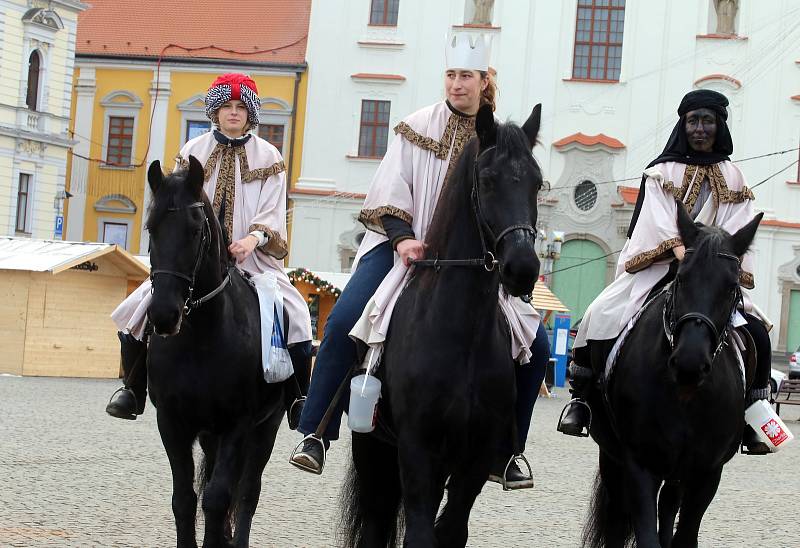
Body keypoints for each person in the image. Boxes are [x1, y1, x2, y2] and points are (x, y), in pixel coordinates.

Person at [290, 34, 550, 489]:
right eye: (451, 75)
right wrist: (404, 238)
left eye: (466, 76)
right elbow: (390, 188)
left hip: (474, 261)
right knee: (344, 320)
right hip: (400, 251)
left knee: (537, 344)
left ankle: (509, 452)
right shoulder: (416, 125)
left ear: (484, 81)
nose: (456, 84)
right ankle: (315, 432)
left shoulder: (499, 139)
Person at [557, 89, 773, 454]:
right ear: (683, 125)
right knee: (600, 313)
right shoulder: (661, 172)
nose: (700, 129)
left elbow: (738, 224)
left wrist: (714, 255)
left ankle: (754, 413)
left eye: (707, 121)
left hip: (713, 273)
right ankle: (581, 399)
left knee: (758, 333)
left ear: (719, 125)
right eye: (693, 121)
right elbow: (654, 219)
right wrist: (681, 250)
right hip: (660, 266)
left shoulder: (734, 177)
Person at [105, 73, 312, 425]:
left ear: (251, 113)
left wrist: (251, 240)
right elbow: (172, 203)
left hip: (254, 262)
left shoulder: (269, 155)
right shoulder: (192, 151)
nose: (234, 113)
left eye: (240, 107)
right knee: (135, 309)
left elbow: (273, 211)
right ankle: (133, 387)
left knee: (298, 317)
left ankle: (297, 398)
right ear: (215, 112)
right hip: (193, 262)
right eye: (226, 107)